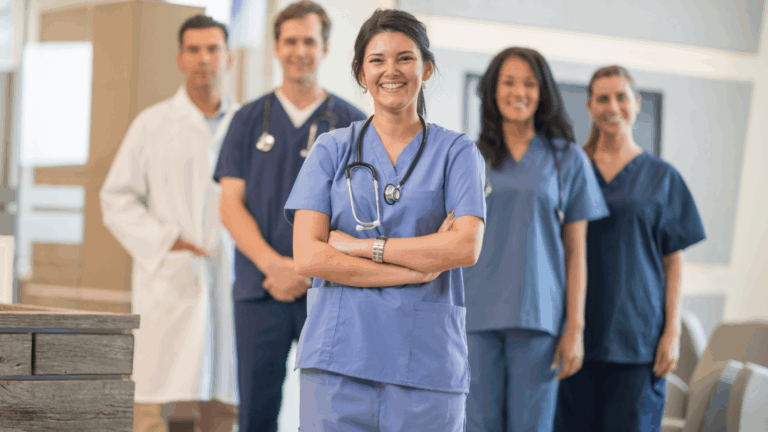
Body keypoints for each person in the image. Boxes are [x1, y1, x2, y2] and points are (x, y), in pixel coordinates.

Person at [284, 8, 487, 430]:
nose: (390, 71)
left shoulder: (457, 153)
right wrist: (413, 271)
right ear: (361, 72)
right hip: (340, 360)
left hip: (426, 364)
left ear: (427, 69)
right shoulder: (331, 149)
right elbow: (307, 256)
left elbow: (464, 247)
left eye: (405, 58)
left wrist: (359, 246)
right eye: (376, 60)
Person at [213, 2, 366, 431]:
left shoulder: (350, 125)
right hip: (260, 289)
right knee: (256, 413)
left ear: (326, 48)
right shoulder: (247, 120)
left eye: (309, 41)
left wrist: (306, 266)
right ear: (276, 48)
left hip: (325, 291)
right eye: (291, 41)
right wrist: (273, 264)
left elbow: (357, 215)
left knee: (334, 410)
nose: (300, 50)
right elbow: (230, 204)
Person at [101, 15, 239, 432]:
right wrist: (166, 242)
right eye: (194, 50)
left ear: (228, 58)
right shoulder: (152, 124)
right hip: (170, 279)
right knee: (154, 409)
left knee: (225, 405)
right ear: (180, 59)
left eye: (213, 49)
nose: (204, 59)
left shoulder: (248, 124)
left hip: (231, 278)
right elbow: (116, 197)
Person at [462, 47, 609, 432]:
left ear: (542, 92)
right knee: (478, 426)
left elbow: (577, 253)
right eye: (508, 82)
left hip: (538, 317)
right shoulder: (469, 159)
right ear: (493, 91)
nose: (519, 92)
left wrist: (574, 329)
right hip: (475, 316)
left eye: (529, 83)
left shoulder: (568, 160)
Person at [554, 65, 706, 432]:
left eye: (621, 97)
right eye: (602, 98)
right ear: (590, 106)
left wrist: (672, 333)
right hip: (575, 335)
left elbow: (674, 262)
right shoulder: (572, 170)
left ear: (636, 104)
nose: (612, 106)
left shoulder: (662, 177)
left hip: (637, 339)